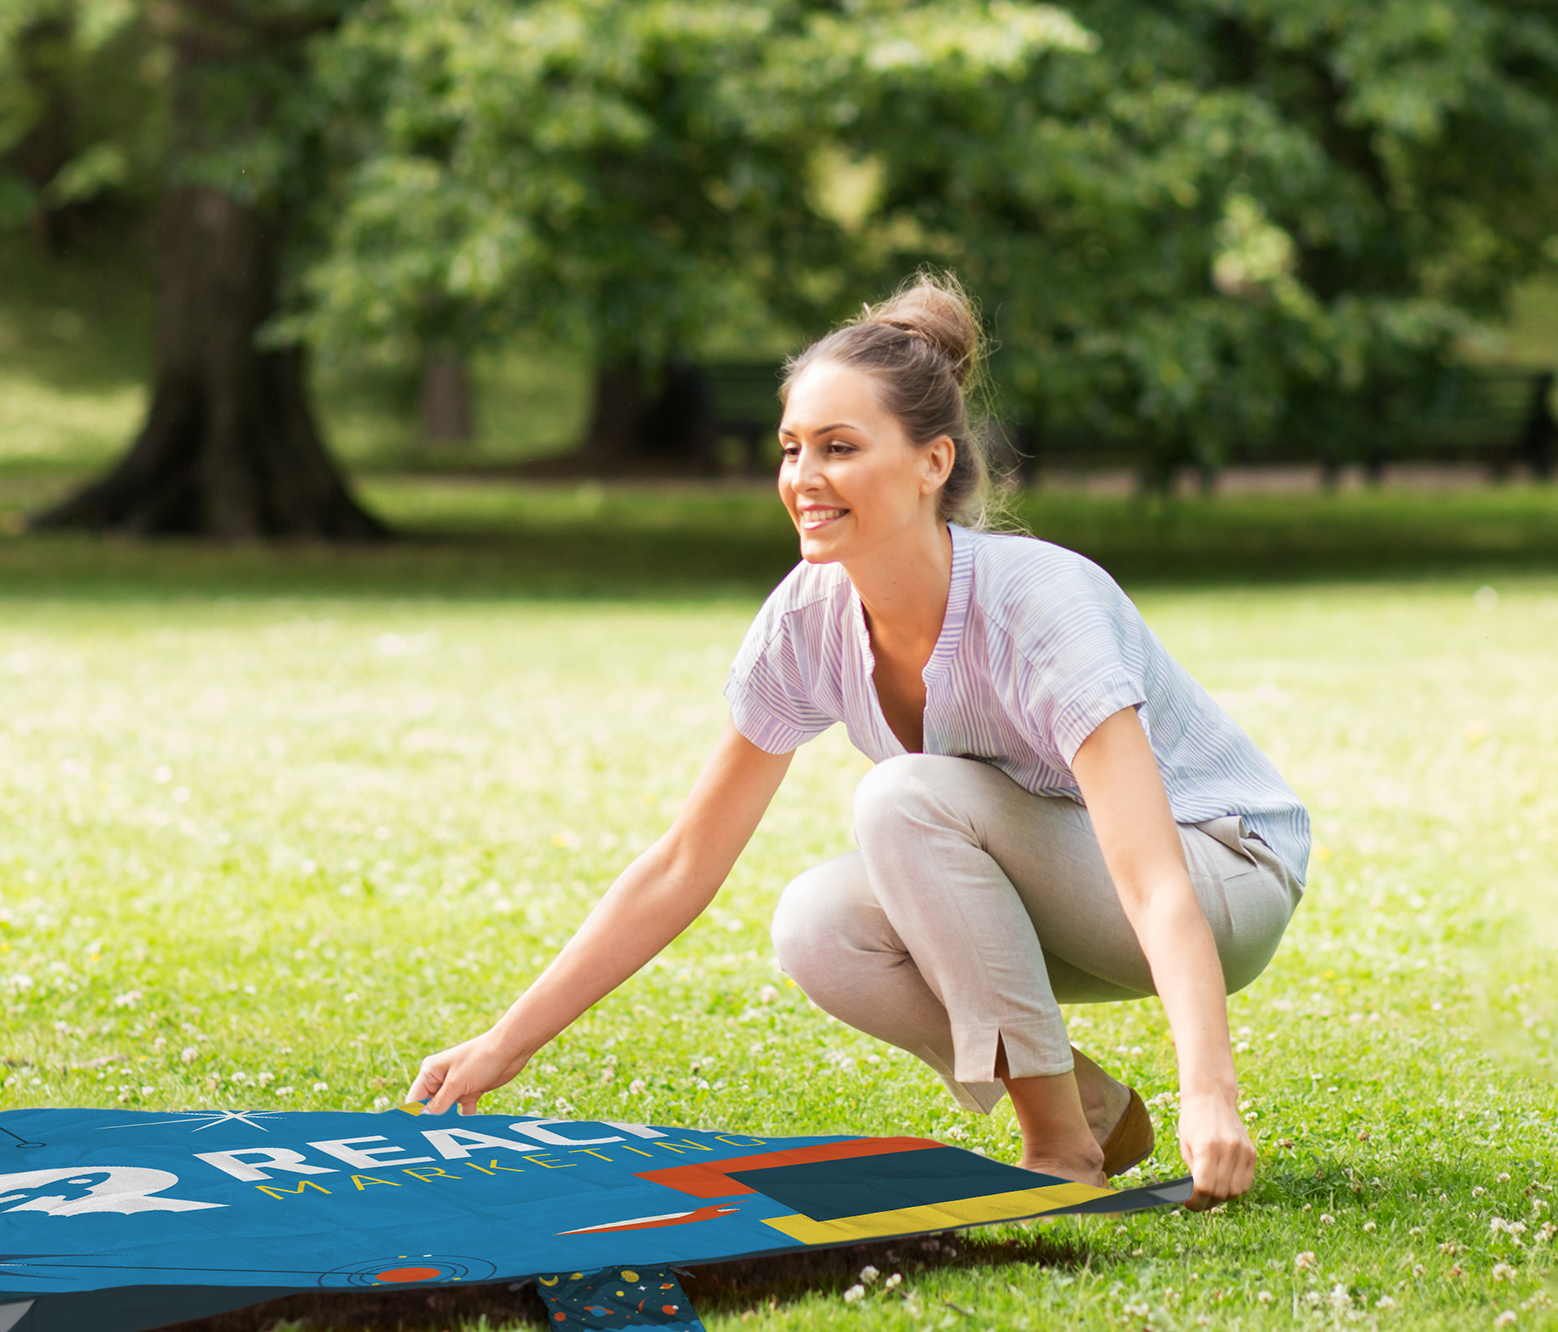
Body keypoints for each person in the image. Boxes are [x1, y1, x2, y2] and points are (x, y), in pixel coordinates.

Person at [405, 274, 1305, 1209]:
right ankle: (1086, 1113)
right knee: (819, 924)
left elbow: (1153, 880)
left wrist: (1210, 1091)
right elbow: (683, 863)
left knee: (902, 797)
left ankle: (1054, 1152)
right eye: (791, 448)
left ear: (931, 463)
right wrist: (505, 1043)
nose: (803, 477)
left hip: (1219, 872)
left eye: (839, 447)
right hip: (1068, 884)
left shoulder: (1040, 605)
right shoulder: (806, 618)